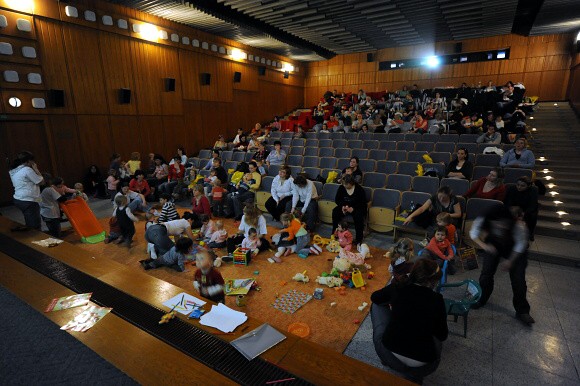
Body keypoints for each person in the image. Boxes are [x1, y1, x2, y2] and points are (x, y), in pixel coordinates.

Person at [371, 259, 448, 383]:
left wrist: (395, 306)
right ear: (434, 282)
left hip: (390, 352)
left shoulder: (398, 286)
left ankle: (385, 361)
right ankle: (414, 377)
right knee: (436, 340)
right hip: (424, 365)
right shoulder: (437, 299)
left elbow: (374, 297)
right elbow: (442, 335)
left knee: (376, 305)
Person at [470, 206, 535, 325]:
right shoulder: (483, 219)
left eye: (504, 223)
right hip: (494, 245)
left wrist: (510, 261)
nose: (501, 226)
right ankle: (481, 298)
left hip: (515, 250)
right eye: (497, 223)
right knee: (486, 273)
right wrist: (485, 246)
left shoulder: (519, 226)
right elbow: (473, 233)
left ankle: (522, 311)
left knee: (518, 279)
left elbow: (520, 245)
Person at [9, 151, 45, 231]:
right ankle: (35, 240)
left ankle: (31, 237)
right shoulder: (27, 169)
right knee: (35, 225)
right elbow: (41, 182)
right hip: (28, 200)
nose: (34, 162)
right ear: (29, 161)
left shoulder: (14, 170)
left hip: (19, 199)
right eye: (33, 161)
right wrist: (36, 169)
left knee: (30, 220)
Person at [332, 174, 367, 246]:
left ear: (351, 183)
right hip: (344, 206)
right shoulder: (342, 187)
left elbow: (362, 203)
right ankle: (335, 233)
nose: (344, 186)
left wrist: (353, 209)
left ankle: (358, 239)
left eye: (346, 184)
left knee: (358, 216)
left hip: (356, 207)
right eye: (344, 184)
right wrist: (343, 206)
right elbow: (337, 199)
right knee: (335, 212)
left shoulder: (359, 189)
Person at [504, 176, 539, 240]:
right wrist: (512, 209)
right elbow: (507, 201)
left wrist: (524, 213)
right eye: (518, 185)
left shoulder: (533, 190)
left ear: (528, 186)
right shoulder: (511, 188)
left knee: (532, 215)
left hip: (526, 209)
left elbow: (533, 205)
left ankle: (528, 233)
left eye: (522, 186)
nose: (519, 187)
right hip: (513, 208)